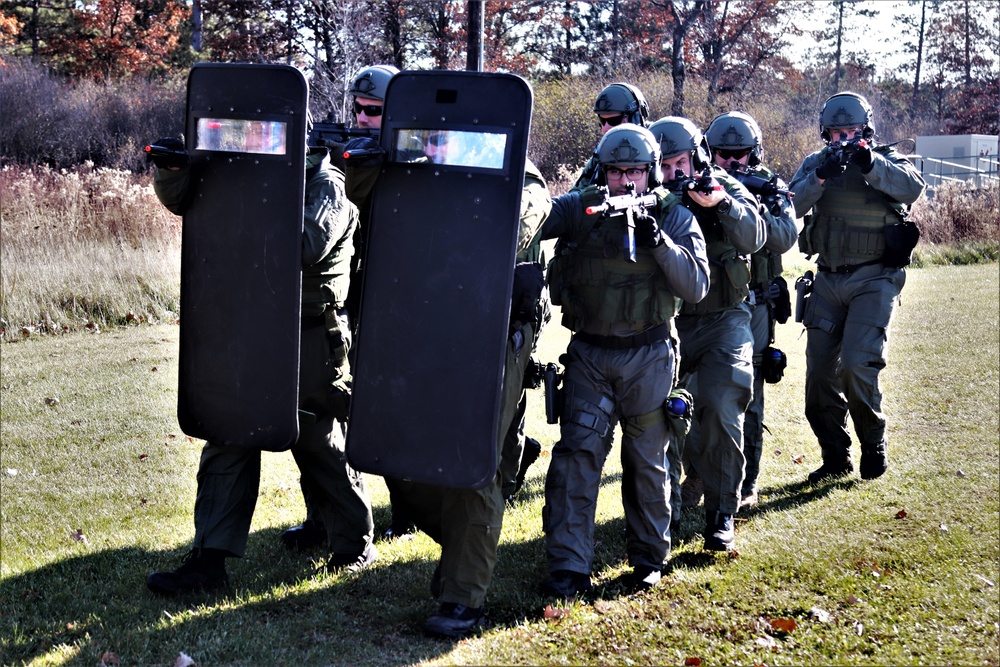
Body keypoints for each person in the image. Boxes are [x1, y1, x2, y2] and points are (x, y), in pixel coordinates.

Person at [144, 135, 376, 595]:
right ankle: (209, 564)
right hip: (249, 330)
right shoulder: (242, 173)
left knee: (317, 440)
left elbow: (305, 245)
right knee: (228, 434)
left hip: (309, 336)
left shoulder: (326, 182)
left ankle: (354, 544)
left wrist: (242, 209)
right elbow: (186, 204)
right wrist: (173, 172)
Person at [384, 159, 553, 638]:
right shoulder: (431, 170)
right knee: (397, 454)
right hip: (432, 324)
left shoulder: (526, 179)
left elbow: (512, 230)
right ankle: (467, 541)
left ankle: (463, 598)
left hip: (499, 332)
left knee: (473, 461)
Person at [540, 124, 710, 599]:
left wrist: (657, 240)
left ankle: (649, 556)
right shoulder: (583, 209)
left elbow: (695, 286)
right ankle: (569, 564)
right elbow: (538, 217)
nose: (626, 182)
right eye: (617, 172)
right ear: (603, 171)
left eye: (636, 172)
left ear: (652, 171)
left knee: (647, 461)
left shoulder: (674, 217)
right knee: (577, 456)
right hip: (591, 355)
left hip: (650, 355)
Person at [282, 65, 418, 548]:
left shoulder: (414, 156)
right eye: (357, 109)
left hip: (395, 299)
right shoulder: (341, 154)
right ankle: (323, 519)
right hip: (344, 299)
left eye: (374, 112)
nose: (361, 119)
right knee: (322, 414)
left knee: (383, 410)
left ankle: (407, 509)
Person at [789, 91, 925, 483]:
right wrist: (819, 177)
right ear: (824, 134)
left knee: (856, 365)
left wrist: (870, 163)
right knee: (817, 377)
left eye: (852, 132)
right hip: (829, 279)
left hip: (875, 278)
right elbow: (789, 208)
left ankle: (873, 442)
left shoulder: (885, 159)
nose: (845, 139)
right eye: (836, 133)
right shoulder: (816, 164)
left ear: (866, 130)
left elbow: (912, 189)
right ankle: (835, 455)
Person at [649, 116, 765, 552]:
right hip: (666, 322)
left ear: (697, 158)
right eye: (662, 165)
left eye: (679, 163)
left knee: (720, 405)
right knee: (660, 415)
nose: (672, 174)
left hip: (725, 318)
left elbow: (756, 236)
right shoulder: (649, 197)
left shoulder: (723, 186)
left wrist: (721, 205)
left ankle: (721, 513)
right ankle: (665, 511)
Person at [704, 111, 798, 509]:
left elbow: (784, 237)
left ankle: (746, 483)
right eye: (724, 154)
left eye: (740, 154)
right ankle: (699, 477)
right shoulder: (699, 181)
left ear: (754, 152)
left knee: (749, 395)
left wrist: (746, 205)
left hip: (755, 302)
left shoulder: (768, 186)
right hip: (708, 303)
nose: (733, 162)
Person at [572, 82, 650, 189]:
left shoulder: (656, 143)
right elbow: (578, 191)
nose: (605, 128)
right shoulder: (603, 151)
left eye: (614, 120)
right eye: (602, 121)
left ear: (635, 118)